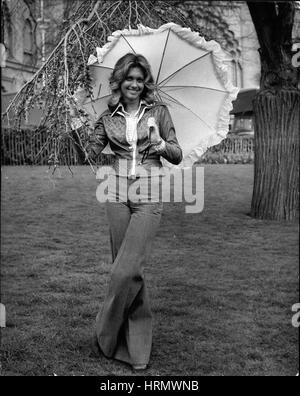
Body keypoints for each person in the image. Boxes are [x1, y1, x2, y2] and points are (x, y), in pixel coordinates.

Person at [71, 53, 182, 370]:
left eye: (139, 79)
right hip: (115, 189)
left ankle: (104, 333)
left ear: (144, 82)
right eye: (128, 78)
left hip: (149, 188)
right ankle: (135, 350)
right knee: (128, 269)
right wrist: (78, 126)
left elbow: (176, 153)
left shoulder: (158, 112)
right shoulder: (108, 117)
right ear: (119, 82)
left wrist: (160, 144)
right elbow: (90, 154)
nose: (134, 84)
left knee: (126, 271)